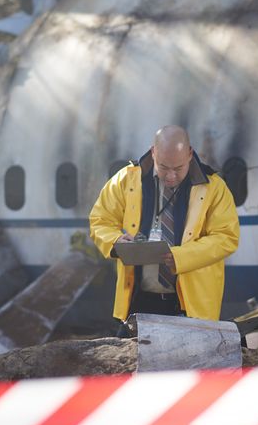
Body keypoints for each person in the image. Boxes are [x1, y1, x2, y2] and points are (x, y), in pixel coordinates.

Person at [89, 125, 240, 323]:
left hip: (190, 306)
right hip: (139, 300)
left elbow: (226, 237)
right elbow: (100, 220)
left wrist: (181, 257)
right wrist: (116, 241)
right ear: (153, 152)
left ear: (189, 154)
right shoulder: (126, 179)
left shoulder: (215, 188)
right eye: (163, 167)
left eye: (178, 169)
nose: (170, 176)